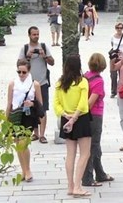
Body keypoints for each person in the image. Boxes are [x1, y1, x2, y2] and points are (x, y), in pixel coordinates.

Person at [53, 54, 92, 198]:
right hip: (80, 119)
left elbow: (56, 104)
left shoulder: (60, 83)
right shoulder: (82, 82)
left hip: (65, 118)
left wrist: (65, 115)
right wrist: (74, 118)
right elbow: (83, 104)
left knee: (70, 154)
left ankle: (70, 186)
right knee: (84, 153)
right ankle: (77, 186)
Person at [5, 59, 43, 183]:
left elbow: (40, 104)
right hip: (15, 115)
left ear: (29, 71)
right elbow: (9, 103)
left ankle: (28, 170)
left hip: (28, 116)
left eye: (24, 72)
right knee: (18, 144)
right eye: (19, 72)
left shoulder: (35, 84)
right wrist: (6, 120)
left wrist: (31, 103)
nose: (21, 74)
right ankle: (23, 170)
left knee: (23, 143)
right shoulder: (12, 84)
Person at [81, 53, 115, 187]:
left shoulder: (85, 77)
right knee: (92, 146)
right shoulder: (98, 81)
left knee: (94, 146)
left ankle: (100, 173)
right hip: (94, 115)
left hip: (84, 116)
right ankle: (87, 177)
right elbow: (90, 102)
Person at [18, 26, 55, 144]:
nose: (36, 36)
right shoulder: (24, 48)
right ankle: (36, 133)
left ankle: (42, 135)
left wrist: (45, 56)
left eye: (37, 34)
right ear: (29, 35)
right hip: (29, 84)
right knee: (32, 108)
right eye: (34, 34)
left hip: (43, 82)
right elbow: (19, 64)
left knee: (43, 108)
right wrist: (27, 56)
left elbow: (52, 62)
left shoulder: (43, 47)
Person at [109, 23, 123, 98]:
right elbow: (112, 44)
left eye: (121, 28)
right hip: (114, 58)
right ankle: (113, 91)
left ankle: (121, 89)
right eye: (118, 28)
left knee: (122, 75)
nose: (119, 29)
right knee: (113, 75)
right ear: (115, 28)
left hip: (122, 58)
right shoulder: (112, 36)